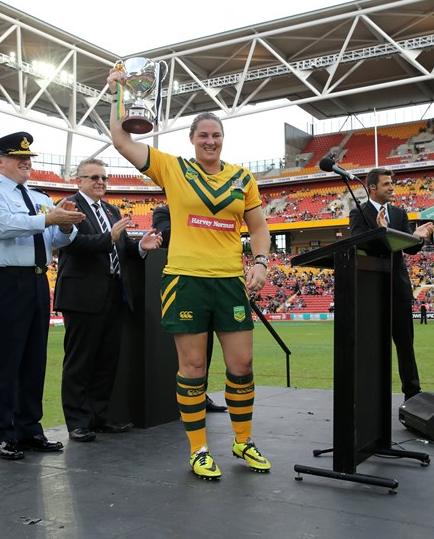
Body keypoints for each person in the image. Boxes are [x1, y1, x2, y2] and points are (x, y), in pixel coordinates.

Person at [108, 67, 271, 481]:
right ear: (192, 139)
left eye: (216, 135)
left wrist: (260, 261)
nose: (210, 141)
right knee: (193, 367)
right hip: (185, 280)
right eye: (203, 135)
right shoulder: (172, 169)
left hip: (229, 282)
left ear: (223, 139)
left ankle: (243, 441)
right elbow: (122, 141)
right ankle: (199, 449)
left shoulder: (242, 178)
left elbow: (259, 228)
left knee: (242, 364)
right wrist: (117, 95)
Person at [0, 132, 85, 460]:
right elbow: (5, 226)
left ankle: (29, 428)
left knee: (33, 361)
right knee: (3, 361)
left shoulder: (39, 196)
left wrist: (64, 225)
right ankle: (2, 433)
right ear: (0, 162)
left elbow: (56, 241)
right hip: (4, 282)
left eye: (28, 157)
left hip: (37, 281)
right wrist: (51, 217)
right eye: (18, 157)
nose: (26, 162)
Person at [54, 159, 162, 443]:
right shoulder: (69, 206)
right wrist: (108, 237)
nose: (100, 182)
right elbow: (72, 246)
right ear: (78, 181)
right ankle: (78, 422)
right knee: (80, 361)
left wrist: (140, 246)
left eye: (104, 177)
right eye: (94, 177)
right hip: (82, 296)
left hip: (114, 293)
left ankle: (100, 417)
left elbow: (120, 248)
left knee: (106, 360)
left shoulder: (111, 210)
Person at [349, 167, 434, 401]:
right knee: (372, 346)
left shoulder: (399, 214)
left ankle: (412, 394)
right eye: (386, 184)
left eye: (392, 183)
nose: (392, 188)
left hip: (398, 289)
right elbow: (358, 246)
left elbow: (409, 248)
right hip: (372, 290)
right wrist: (381, 232)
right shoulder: (359, 213)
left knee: (405, 344)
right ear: (372, 187)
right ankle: (370, 395)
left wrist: (417, 237)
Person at [152, 204, 227, 413]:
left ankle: (201, 394)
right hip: (182, 284)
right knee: (188, 352)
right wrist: (199, 225)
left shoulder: (204, 208)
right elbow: (165, 235)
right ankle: (185, 397)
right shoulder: (164, 211)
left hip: (209, 281)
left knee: (206, 346)